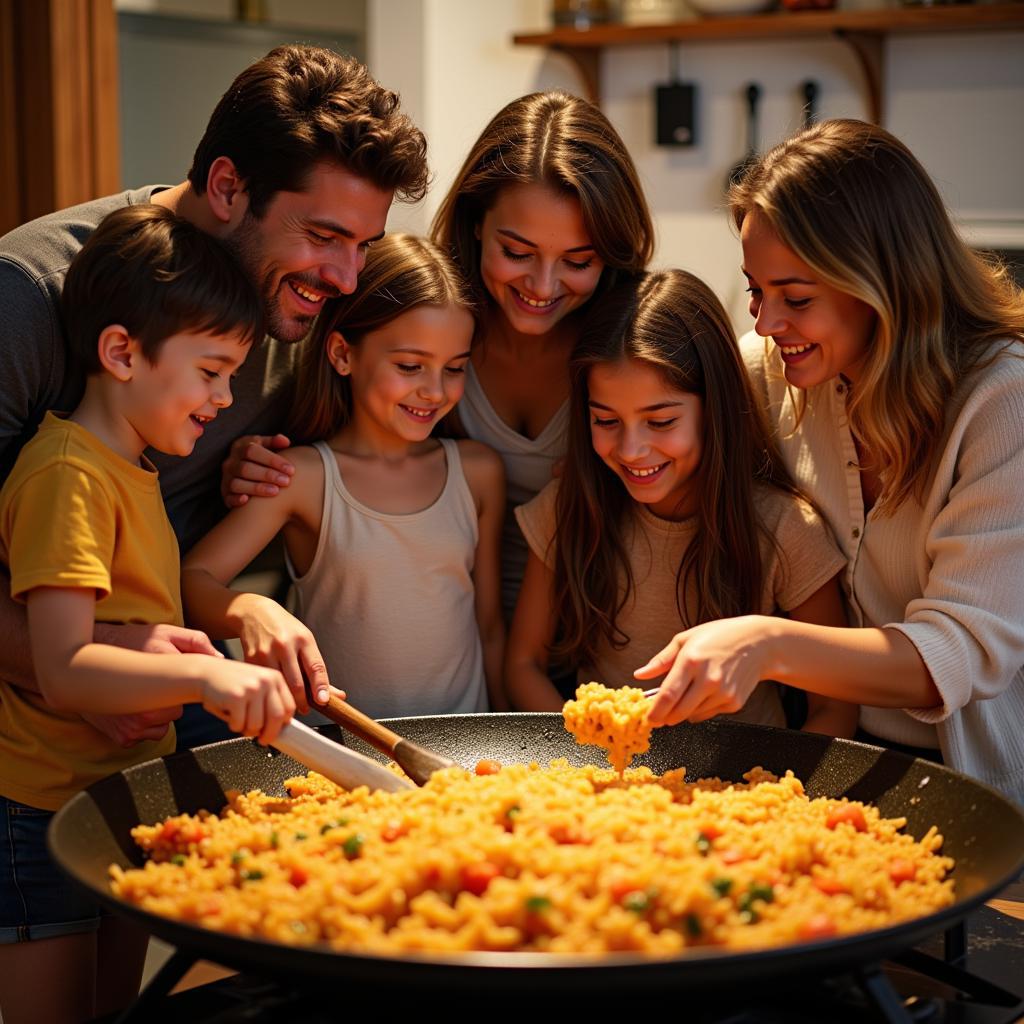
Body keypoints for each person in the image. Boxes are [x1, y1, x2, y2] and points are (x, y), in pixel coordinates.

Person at [0, 44, 427, 749]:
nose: (347, 279)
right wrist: (95, 667)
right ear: (228, 186)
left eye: (364, 244)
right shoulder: (29, 292)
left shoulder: (299, 305)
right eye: (324, 236)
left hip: (172, 693)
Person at [641, 120, 1024, 805]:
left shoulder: (1003, 402)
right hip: (835, 760)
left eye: (797, 297)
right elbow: (661, 386)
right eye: (756, 291)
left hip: (985, 786)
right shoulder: (781, 372)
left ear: (883, 282)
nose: (764, 323)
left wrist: (766, 642)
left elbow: (953, 653)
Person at [0, 206, 299, 1024]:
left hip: (120, 794)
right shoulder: (69, 476)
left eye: (235, 374)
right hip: (42, 811)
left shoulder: (131, 469)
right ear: (122, 353)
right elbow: (62, 666)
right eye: (210, 372)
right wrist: (206, 673)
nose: (226, 398)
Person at [506, 269, 856, 738]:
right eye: (606, 421)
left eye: (661, 421)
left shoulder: (785, 527)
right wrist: (585, 749)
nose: (631, 450)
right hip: (608, 784)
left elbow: (835, 707)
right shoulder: (569, 506)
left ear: (715, 409)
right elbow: (522, 664)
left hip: (741, 789)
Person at [182, 235, 507, 718]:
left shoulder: (479, 473)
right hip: (339, 766)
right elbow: (193, 581)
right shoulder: (303, 478)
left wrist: (515, 739)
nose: (434, 391)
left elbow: (490, 628)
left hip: (463, 765)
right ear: (342, 354)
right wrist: (251, 610)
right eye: (410, 366)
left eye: (455, 368)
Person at [425, 92, 655, 624]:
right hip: (440, 639)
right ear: (476, 221)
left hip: (593, 639)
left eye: (578, 261)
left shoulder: (633, 347)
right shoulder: (420, 319)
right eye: (517, 253)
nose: (542, 286)